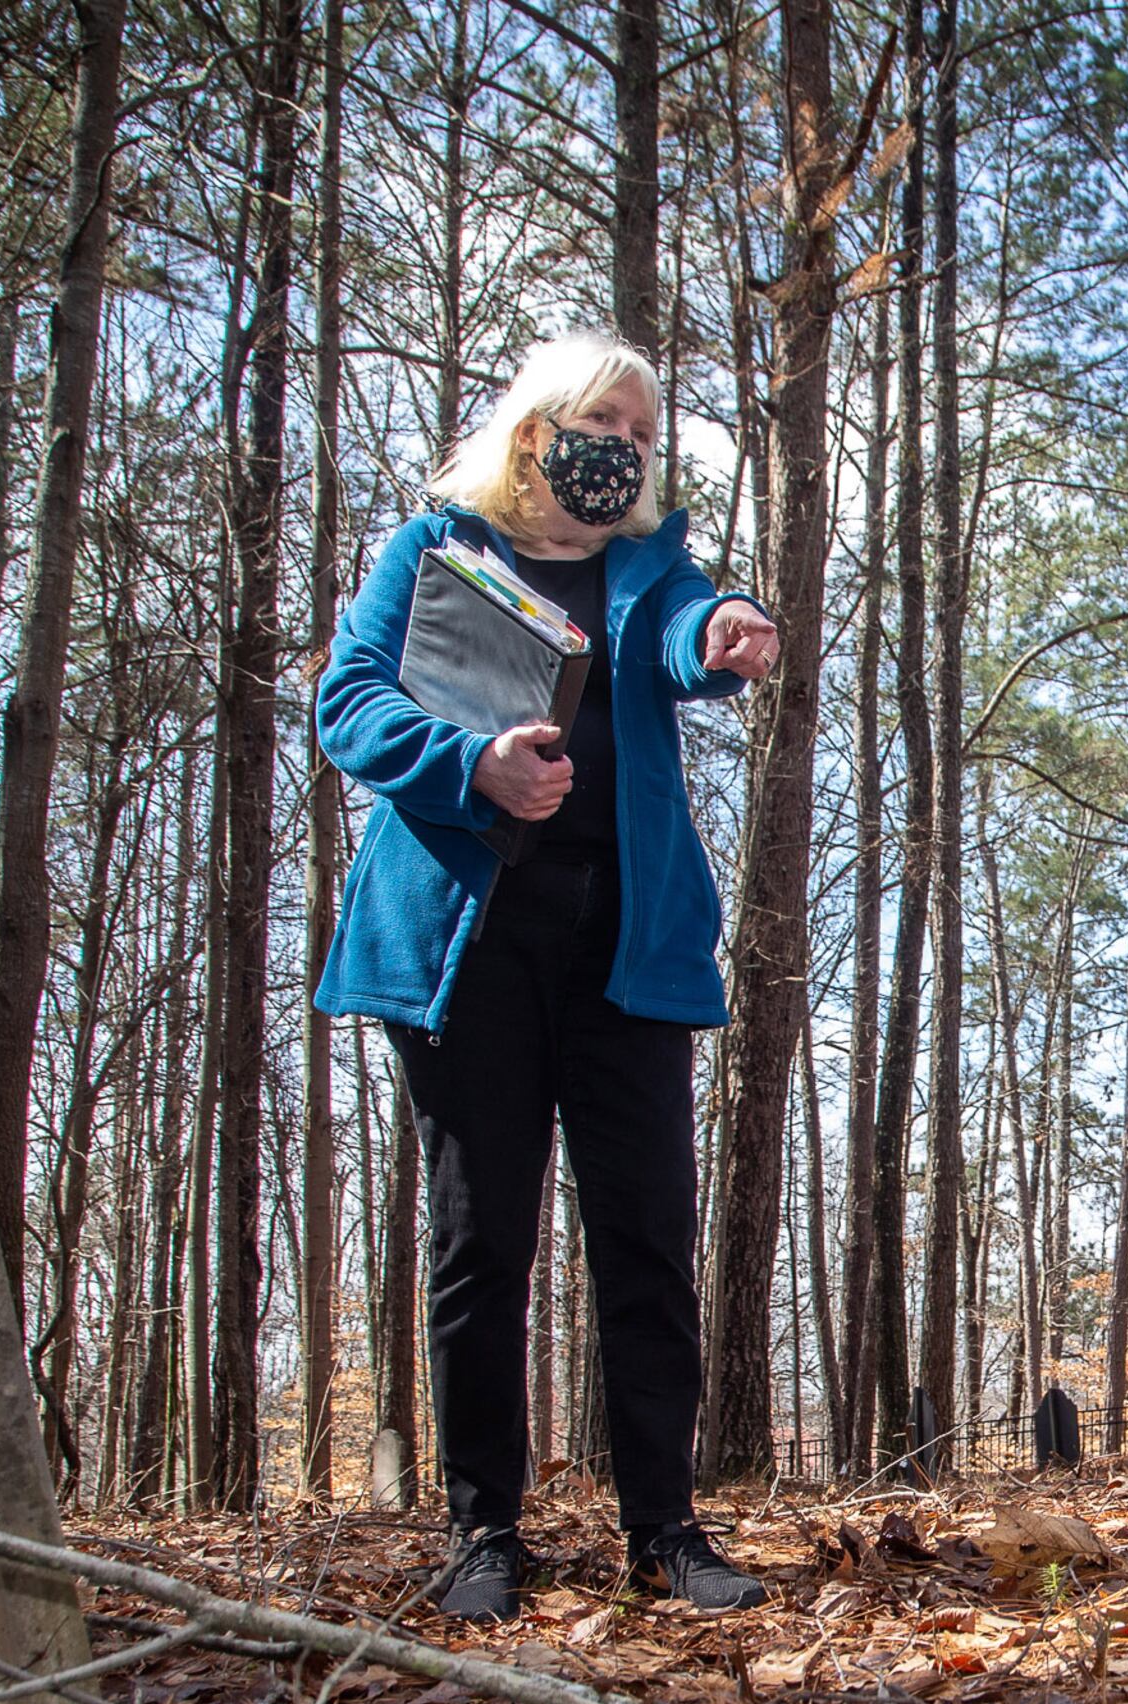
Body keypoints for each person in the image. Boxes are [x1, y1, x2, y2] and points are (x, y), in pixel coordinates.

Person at [315, 332, 785, 1618]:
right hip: (470, 945)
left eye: (643, 435)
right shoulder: (432, 553)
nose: (626, 450)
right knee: (484, 1240)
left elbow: (686, 627)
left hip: (623, 948)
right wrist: (469, 764)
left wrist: (725, 627)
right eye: (608, 425)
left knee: (645, 1236)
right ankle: (483, 1533)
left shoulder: (648, 563)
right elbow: (346, 702)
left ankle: (666, 1529)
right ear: (538, 430)